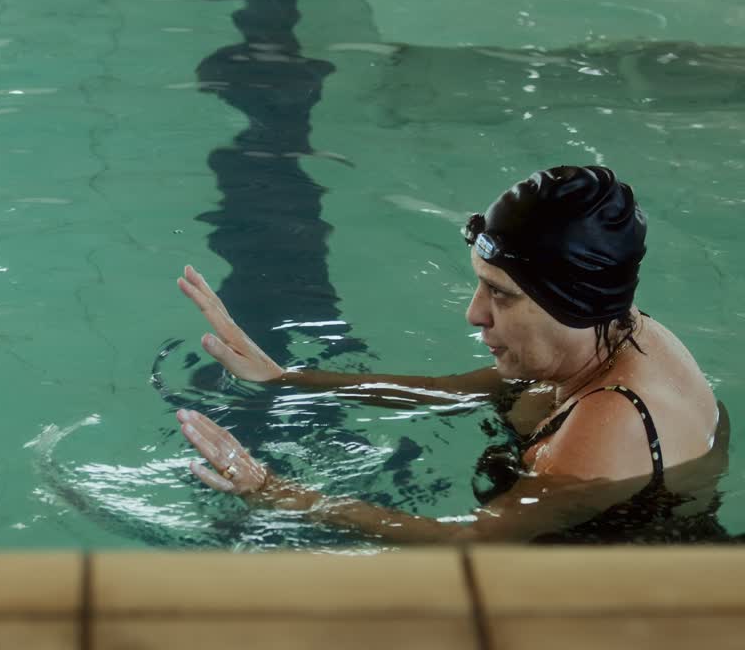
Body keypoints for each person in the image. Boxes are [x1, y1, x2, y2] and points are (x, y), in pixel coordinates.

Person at [174, 165, 729, 542]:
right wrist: (288, 378)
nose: (475, 313)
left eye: (501, 294)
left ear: (569, 301)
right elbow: (457, 391)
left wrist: (274, 493)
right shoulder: (610, 331)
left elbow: (468, 543)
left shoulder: (609, 425)